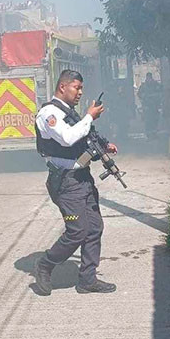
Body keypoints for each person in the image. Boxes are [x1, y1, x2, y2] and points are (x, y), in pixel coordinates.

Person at [32, 70, 118, 295]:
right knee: (77, 231)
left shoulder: (69, 113)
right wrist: (90, 116)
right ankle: (45, 265)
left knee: (94, 227)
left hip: (82, 178)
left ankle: (87, 279)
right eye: (76, 88)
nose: (80, 92)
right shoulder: (48, 113)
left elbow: (82, 138)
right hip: (66, 182)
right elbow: (68, 137)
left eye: (81, 88)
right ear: (62, 87)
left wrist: (103, 145)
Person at [137, 72, 163, 139]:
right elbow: (139, 94)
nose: (149, 79)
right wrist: (144, 96)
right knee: (148, 120)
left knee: (155, 120)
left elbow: (161, 92)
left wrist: (155, 97)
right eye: (148, 78)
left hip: (155, 106)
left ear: (151, 78)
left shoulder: (156, 85)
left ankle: (154, 133)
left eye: (150, 78)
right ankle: (149, 134)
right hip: (146, 106)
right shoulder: (143, 86)